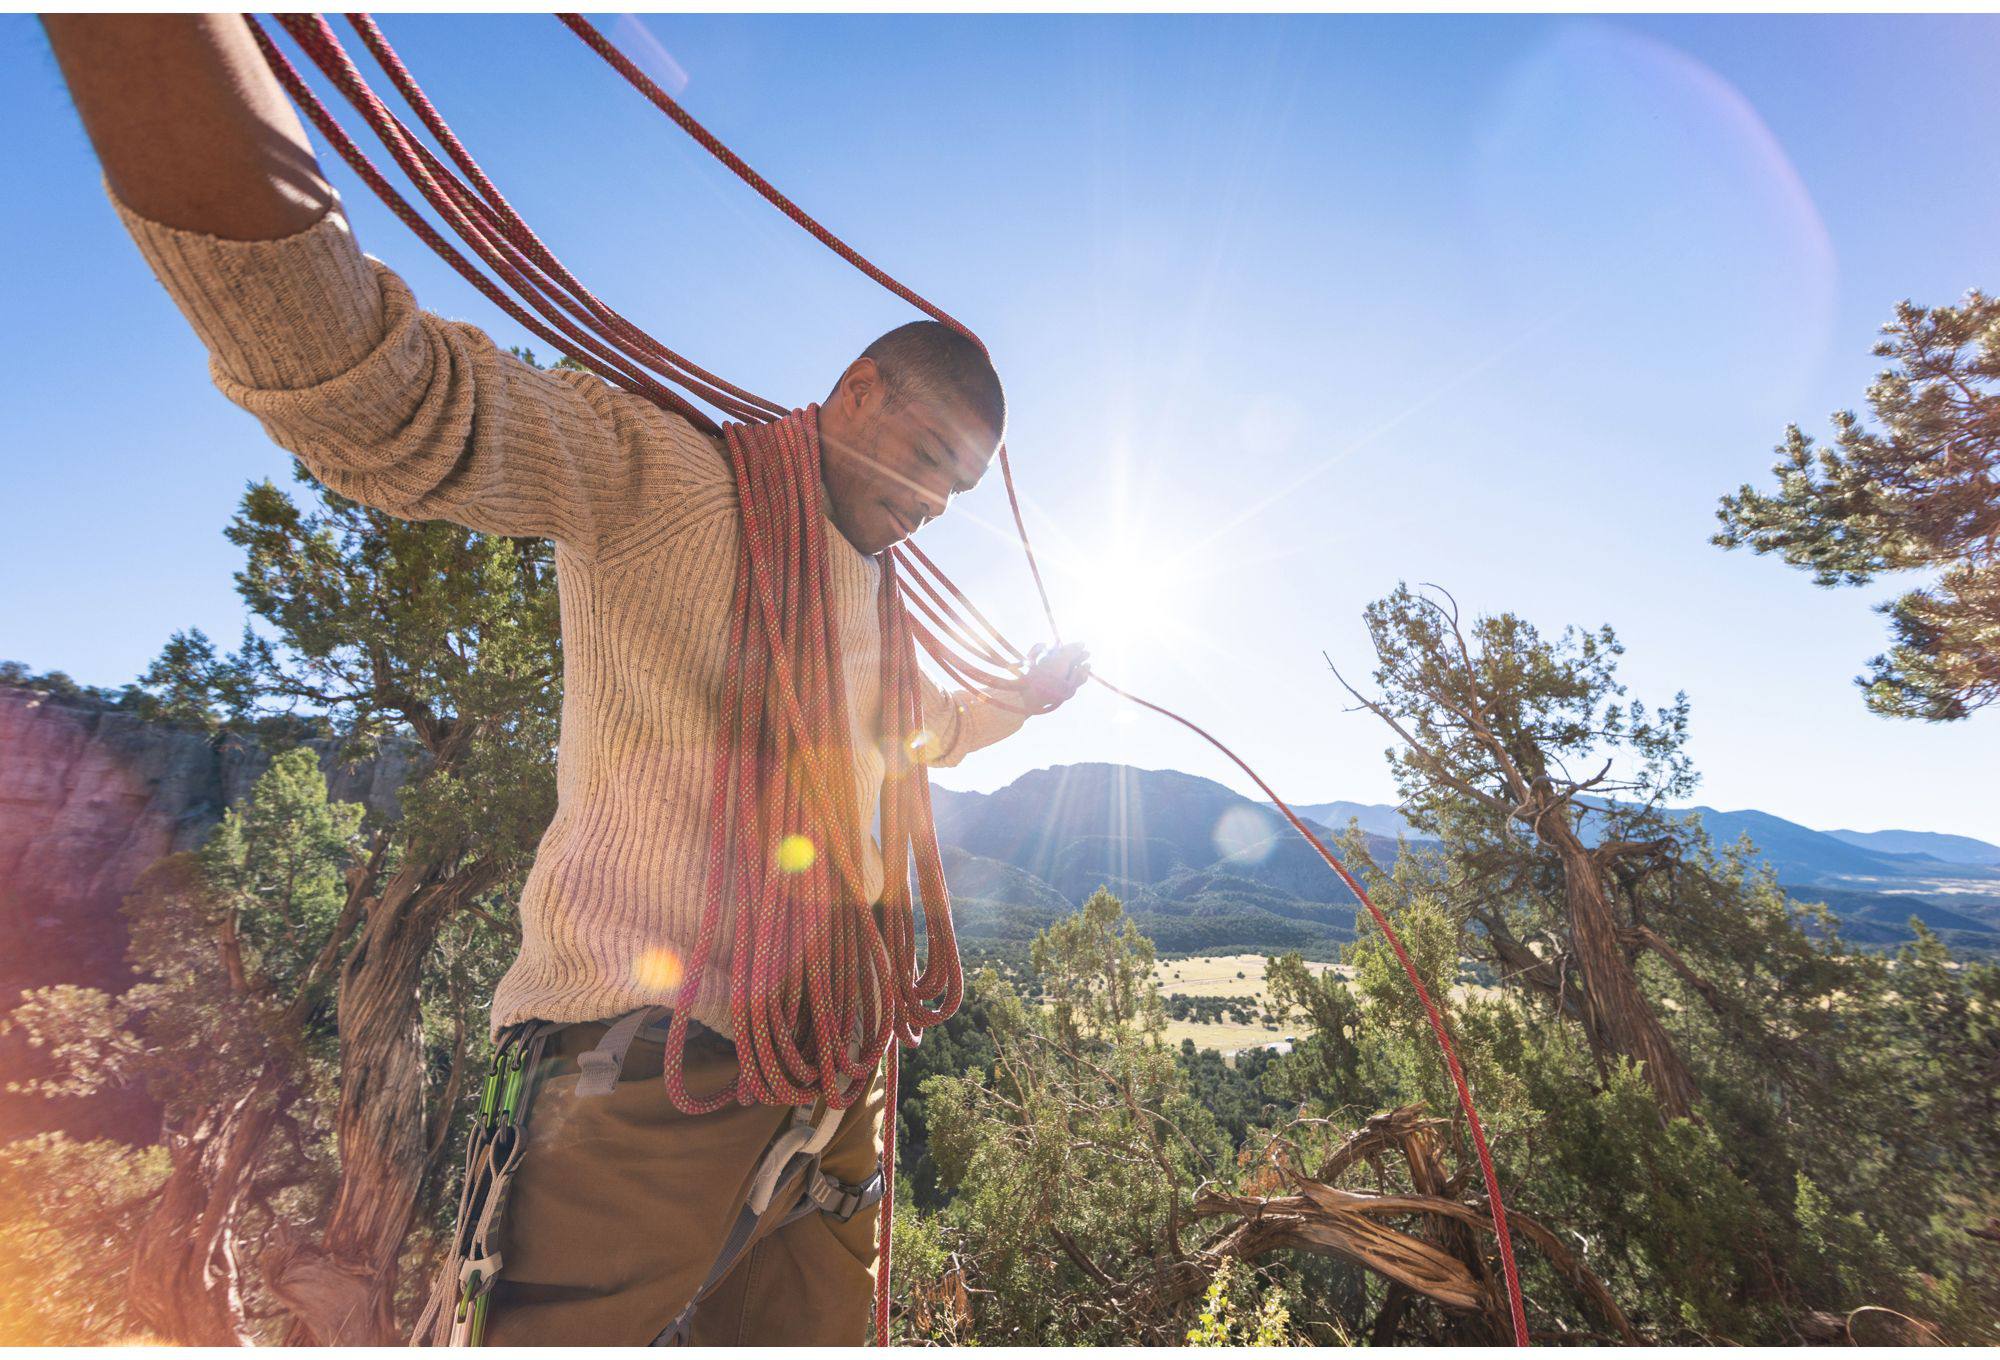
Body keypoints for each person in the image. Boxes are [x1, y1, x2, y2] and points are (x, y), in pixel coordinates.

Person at [44, 14, 1088, 1345]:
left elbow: (915, 738)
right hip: (640, 1077)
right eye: (925, 451)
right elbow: (395, 406)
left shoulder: (875, 590)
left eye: (955, 484)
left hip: (834, 1089)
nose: (932, 502)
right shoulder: (661, 477)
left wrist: (1029, 699)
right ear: (857, 387)